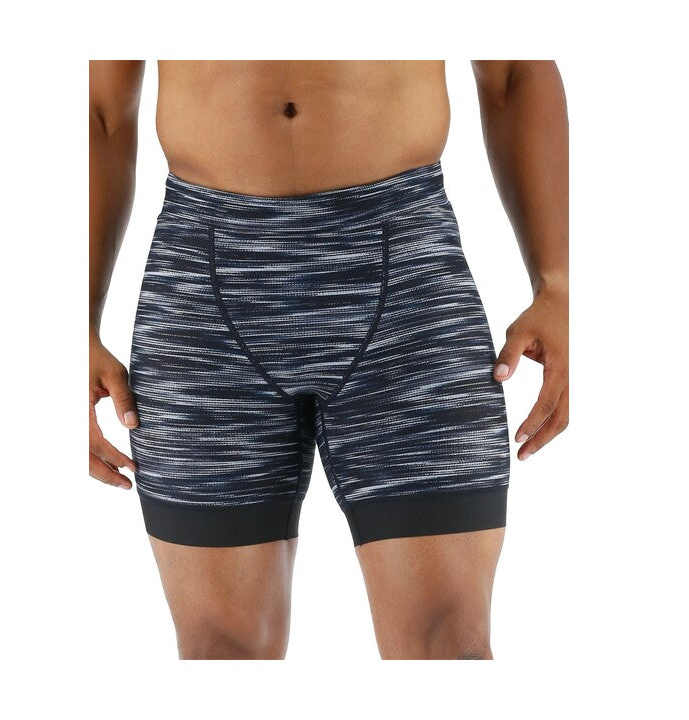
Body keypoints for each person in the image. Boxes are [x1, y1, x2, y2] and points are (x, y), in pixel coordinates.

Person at [89, 60, 568, 660]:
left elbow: (515, 72)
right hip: (204, 285)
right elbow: (101, 111)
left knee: (449, 648)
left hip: (406, 278)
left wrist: (559, 286)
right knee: (219, 652)